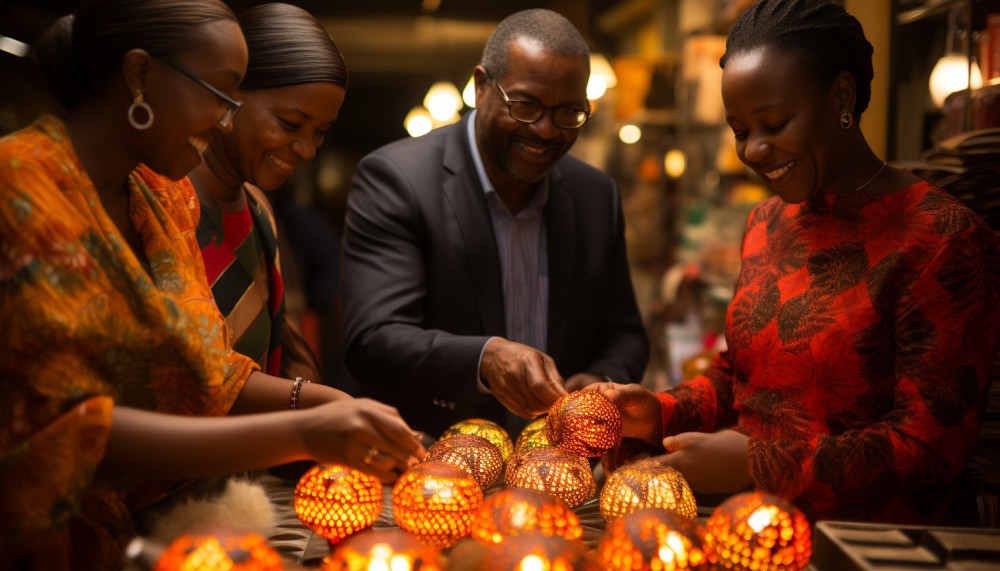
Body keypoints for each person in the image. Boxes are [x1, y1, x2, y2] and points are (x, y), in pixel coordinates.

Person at [0, 1, 423, 568]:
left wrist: (322, 401)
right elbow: (67, 431)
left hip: (139, 540)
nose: (226, 120)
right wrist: (306, 432)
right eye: (221, 95)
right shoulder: (20, 187)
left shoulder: (160, 197)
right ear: (140, 75)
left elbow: (207, 371)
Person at [592, 0, 1000, 525]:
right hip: (753, 530)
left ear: (842, 98)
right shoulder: (767, 221)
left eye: (775, 123)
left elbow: (928, 452)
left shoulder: (944, 238)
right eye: (739, 131)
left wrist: (758, 466)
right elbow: (740, 378)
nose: (755, 150)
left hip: (870, 548)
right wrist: (660, 411)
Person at [339, 8, 649, 437]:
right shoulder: (397, 179)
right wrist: (485, 359)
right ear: (481, 86)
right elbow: (372, 341)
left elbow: (625, 333)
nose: (545, 130)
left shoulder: (594, 195)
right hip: (428, 466)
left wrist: (600, 381)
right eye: (526, 106)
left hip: (556, 469)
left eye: (568, 114)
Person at [134, 2, 347, 384]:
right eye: (290, 123)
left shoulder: (257, 207)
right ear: (228, 96)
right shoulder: (160, 195)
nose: (307, 149)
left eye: (320, 132)